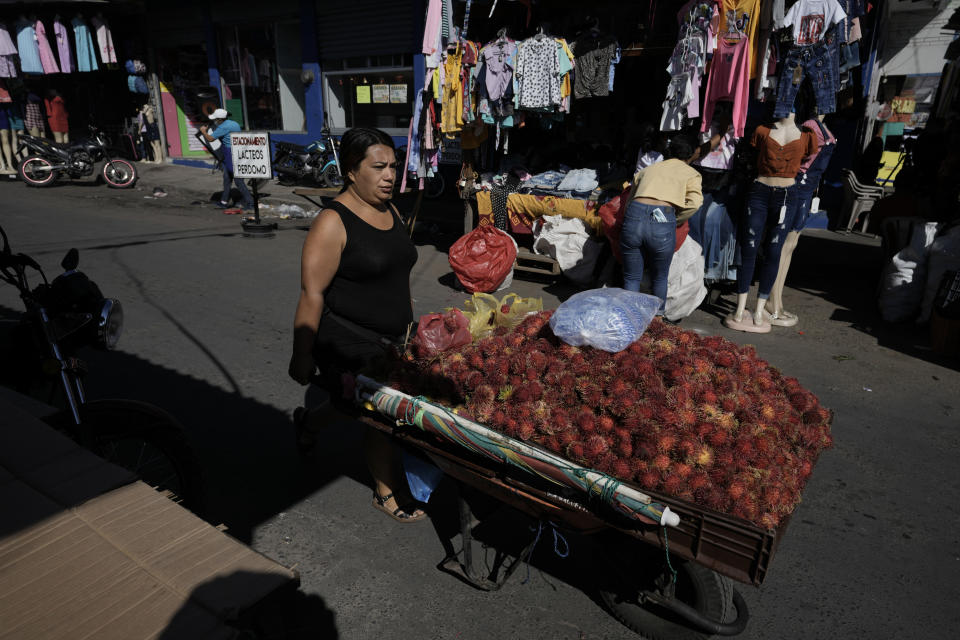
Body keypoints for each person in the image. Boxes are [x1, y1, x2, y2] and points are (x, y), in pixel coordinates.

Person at [288, 127, 425, 522]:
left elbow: (397, 276)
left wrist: (411, 328)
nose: (389, 176)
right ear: (351, 171)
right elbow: (312, 293)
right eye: (378, 167)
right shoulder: (332, 221)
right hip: (347, 336)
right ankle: (385, 492)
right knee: (380, 408)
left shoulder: (392, 210)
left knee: (351, 404)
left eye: (393, 167)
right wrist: (301, 355)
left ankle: (309, 423)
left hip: (393, 335)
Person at [622, 133, 703, 313]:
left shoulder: (649, 169)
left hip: (634, 216)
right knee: (659, 277)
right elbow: (695, 203)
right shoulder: (692, 174)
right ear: (692, 153)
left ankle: (628, 320)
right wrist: (675, 220)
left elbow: (629, 200)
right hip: (662, 220)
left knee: (632, 277)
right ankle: (657, 324)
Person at [199, 108, 254, 210]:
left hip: (230, 154)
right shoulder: (233, 123)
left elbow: (210, 139)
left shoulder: (223, 127)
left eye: (216, 119)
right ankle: (224, 202)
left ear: (220, 119)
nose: (214, 121)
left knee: (238, 181)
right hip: (235, 151)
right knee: (227, 178)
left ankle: (251, 203)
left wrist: (203, 131)